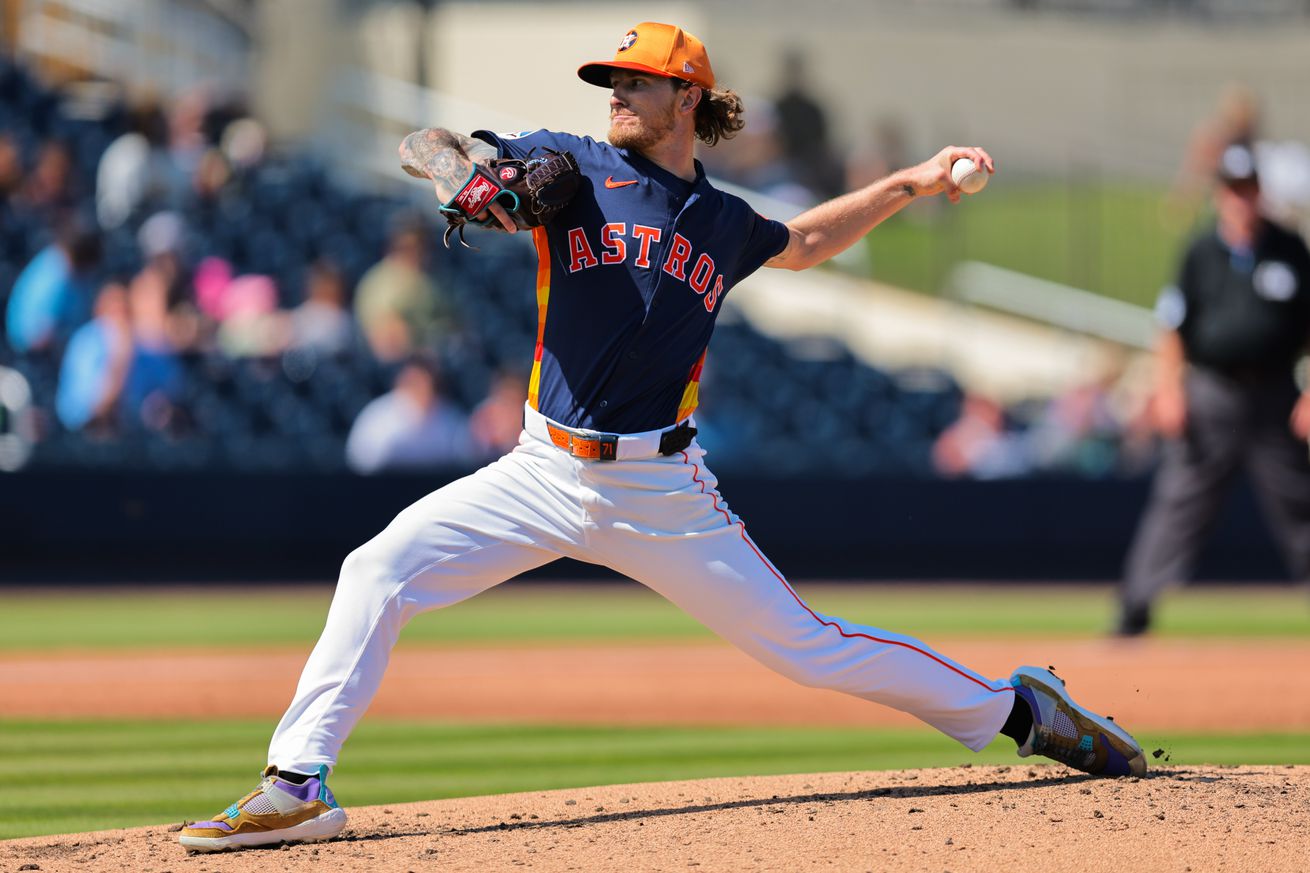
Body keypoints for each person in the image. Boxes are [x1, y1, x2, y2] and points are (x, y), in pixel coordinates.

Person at [179, 22, 1145, 853]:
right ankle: (297, 785)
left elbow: (804, 245)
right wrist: (472, 174)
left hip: (661, 489)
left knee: (811, 649)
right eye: (611, 81)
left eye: (634, 82)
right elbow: (437, 145)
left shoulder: (718, 221)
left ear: (687, 96)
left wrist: (908, 181)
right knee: (376, 567)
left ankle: (1025, 710)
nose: (615, 96)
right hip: (540, 467)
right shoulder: (571, 162)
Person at [1117, 143, 1310, 636]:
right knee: (1179, 501)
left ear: (1260, 192)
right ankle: (1134, 609)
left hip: (1274, 397)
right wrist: (1169, 389)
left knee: (1300, 502)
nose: (1241, 199)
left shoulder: (1289, 249)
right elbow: (1171, 325)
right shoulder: (1201, 251)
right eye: (1233, 190)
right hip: (1213, 393)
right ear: (1220, 194)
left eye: (1248, 189)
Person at [344, 355, 473, 474]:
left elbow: (464, 460)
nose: (423, 388)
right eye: (416, 382)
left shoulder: (451, 418)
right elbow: (361, 463)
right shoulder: (378, 417)